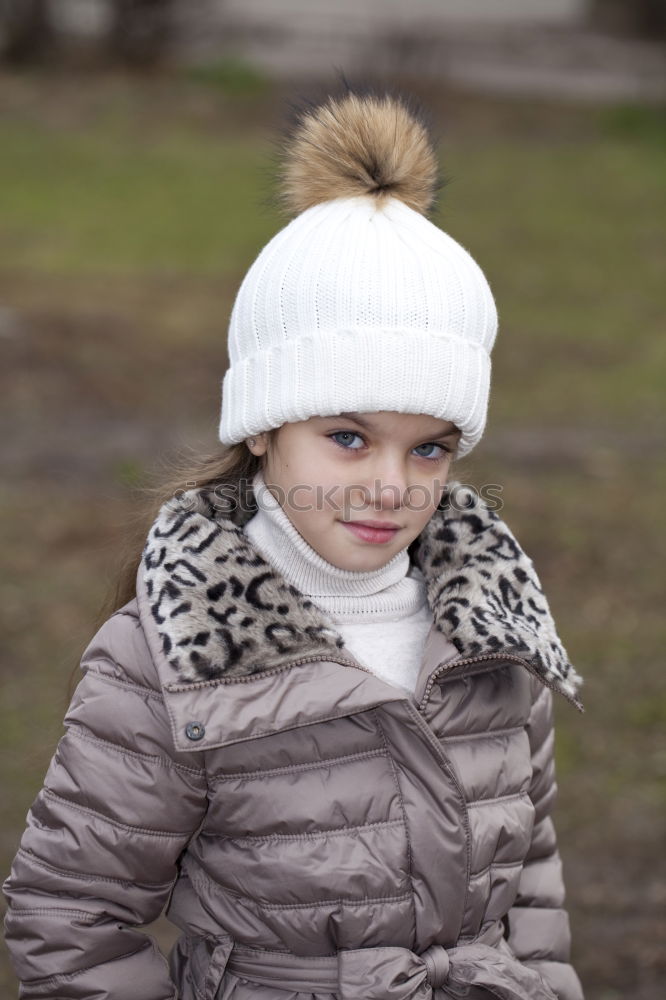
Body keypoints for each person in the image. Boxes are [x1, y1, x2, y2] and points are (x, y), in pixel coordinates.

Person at [3, 84, 585, 1000]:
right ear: (266, 428)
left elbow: (532, 880)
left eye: (429, 447)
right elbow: (71, 917)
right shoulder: (166, 661)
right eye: (348, 438)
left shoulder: (494, 630)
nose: (393, 486)